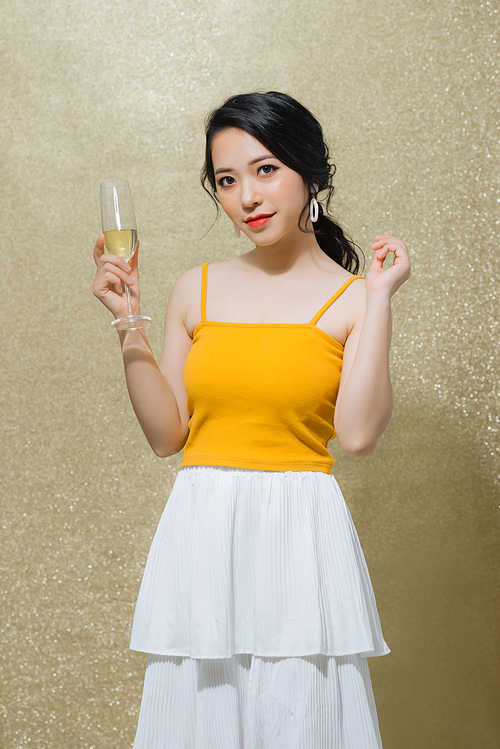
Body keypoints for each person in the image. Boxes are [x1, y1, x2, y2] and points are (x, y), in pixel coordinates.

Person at [92, 91, 411, 748]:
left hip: (299, 536)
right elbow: (166, 435)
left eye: (266, 170)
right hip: (204, 530)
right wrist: (127, 320)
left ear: (309, 174)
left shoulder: (354, 299)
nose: (247, 197)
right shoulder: (195, 287)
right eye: (228, 180)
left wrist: (379, 299)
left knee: (301, 718)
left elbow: (356, 434)